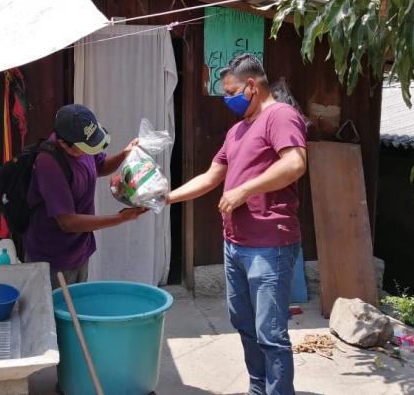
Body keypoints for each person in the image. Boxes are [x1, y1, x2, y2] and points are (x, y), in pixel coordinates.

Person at [167, 54, 307, 395]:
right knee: (244, 324)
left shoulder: (280, 116)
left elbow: (295, 163)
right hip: (236, 245)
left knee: (270, 334)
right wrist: (165, 198)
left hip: (269, 244)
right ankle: (258, 388)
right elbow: (212, 176)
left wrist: (245, 189)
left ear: (251, 86)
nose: (226, 98)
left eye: (230, 91)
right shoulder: (237, 130)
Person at [25, 104, 146, 289]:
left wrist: (124, 154)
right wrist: (120, 218)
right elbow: (68, 222)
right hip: (53, 258)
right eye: (85, 148)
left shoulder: (82, 143)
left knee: (78, 311)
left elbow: (100, 166)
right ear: (63, 143)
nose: (91, 151)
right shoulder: (49, 164)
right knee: (57, 315)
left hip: (80, 249)